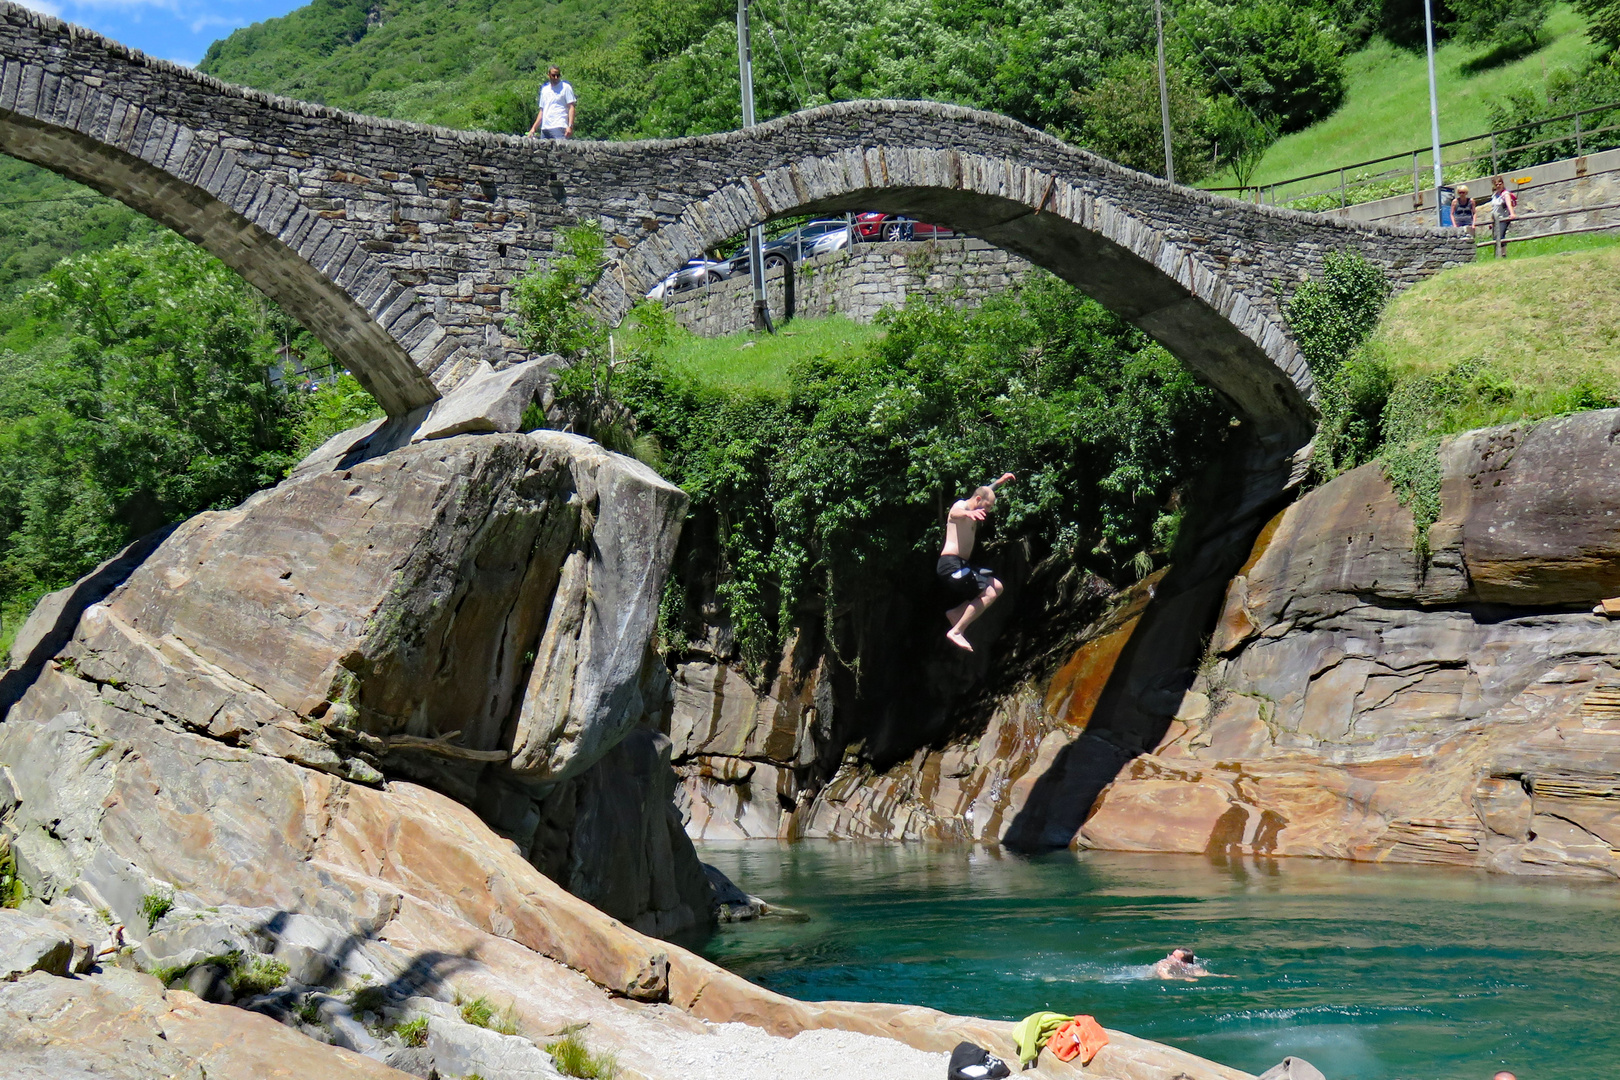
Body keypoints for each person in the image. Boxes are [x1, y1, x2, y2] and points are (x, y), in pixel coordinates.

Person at [938, 473, 1016, 652]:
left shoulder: (980, 498)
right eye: (987, 506)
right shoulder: (962, 506)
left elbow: (985, 491)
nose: (987, 511)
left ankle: (956, 613)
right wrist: (968, 513)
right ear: (978, 500)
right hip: (950, 565)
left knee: (997, 586)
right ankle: (957, 631)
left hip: (961, 565)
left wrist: (999, 482)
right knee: (989, 592)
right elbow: (954, 513)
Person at [527, 66, 576, 140]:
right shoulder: (544, 90)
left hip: (559, 126)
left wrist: (570, 126)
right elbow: (542, 111)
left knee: (560, 151)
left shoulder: (566, 87)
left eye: (558, 75)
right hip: (545, 128)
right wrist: (533, 128)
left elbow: (571, 107)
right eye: (553, 75)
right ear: (548, 75)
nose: (556, 77)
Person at [1489, 175, 1517, 258]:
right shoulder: (1494, 195)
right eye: (1496, 184)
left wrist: (1512, 213)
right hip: (1495, 219)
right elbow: (1493, 208)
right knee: (1495, 237)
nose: (1498, 185)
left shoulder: (1505, 194)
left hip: (1502, 218)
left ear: (1503, 184)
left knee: (1500, 236)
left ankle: (1503, 254)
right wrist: (1491, 221)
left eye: (1500, 183)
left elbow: (1509, 204)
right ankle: (1498, 255)